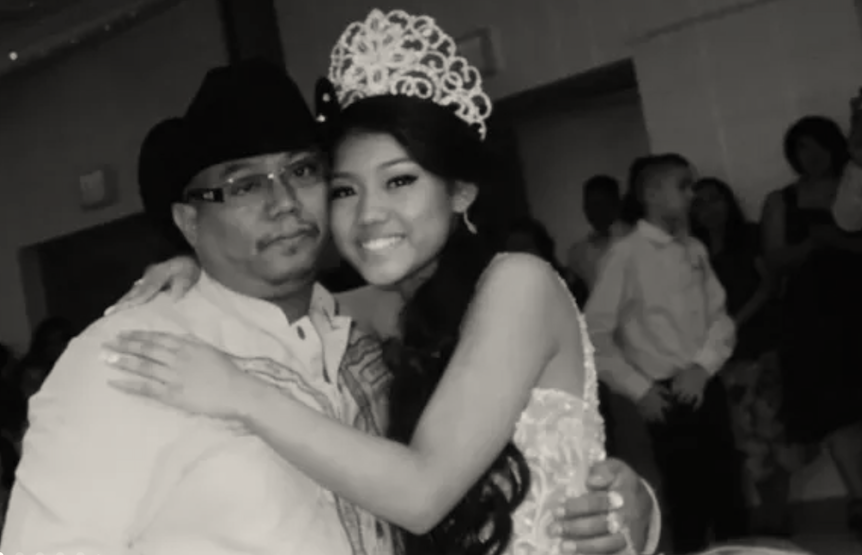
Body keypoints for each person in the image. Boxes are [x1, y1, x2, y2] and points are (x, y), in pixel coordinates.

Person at [92, 10, 661, 555]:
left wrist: (238, 393)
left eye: (400, 181)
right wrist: (204, 267)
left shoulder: (519, 284)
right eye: (345, 190)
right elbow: (277, 308)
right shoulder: (372, 314)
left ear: (460, 191)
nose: (369, 214)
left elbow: (420, 494)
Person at [3, 59, 401, 555]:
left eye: (301, 171)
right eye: (245, 186)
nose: (284, 201)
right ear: (189, 222)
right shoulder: (129, 355)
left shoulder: (357, 327)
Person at [586, 154, 741, 553]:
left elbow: (721, 319)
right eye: (683, 186)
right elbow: (595, 335)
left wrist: (702, 367)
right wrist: (639, 390)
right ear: (652, 194)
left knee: (729, 491)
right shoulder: (625, 254)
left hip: (704, 382)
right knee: (686, 503)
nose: (693, 195)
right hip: (663, 396)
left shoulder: (694, 249)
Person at [762, 113, 862, 538]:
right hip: (812, 319)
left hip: (858, 307)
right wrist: (811, 244)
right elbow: (774, 259)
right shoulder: (781, 200)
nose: (812, 154)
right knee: (835, 411)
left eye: (818, 143)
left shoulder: (855, 186)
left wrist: (838, 242)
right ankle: (859, 498)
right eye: (801, 147)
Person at [566, 175, 629, 293]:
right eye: (590, 204)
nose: (596, 210)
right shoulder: (578, 253)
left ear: (617, 203)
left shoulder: (636, 239)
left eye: (602, 203)